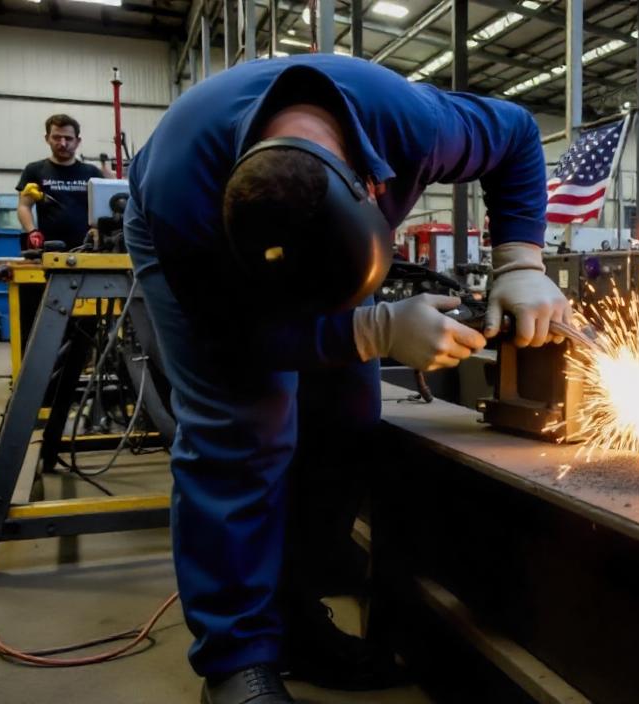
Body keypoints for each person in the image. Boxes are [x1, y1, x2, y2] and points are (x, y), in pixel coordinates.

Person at [124, 54, 571, 704]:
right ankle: (236, 660)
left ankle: (297, 618)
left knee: (348, 413)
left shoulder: (414, 124)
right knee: (242, 425)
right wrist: (373, 331)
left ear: (369, 186)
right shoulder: (183, 197)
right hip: (195, 242)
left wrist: (520, 260)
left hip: (323, 240)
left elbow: (517, 135)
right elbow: (236, 340)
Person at [16, 114, 109, 250]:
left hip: (87, 249)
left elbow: (104, 209)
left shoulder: (92, 173)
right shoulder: (34, 170)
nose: (63, 143)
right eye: (56, 138)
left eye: (68, 138)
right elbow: (24, 206)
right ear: (47, 138)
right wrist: (32, 232)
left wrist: (98, 229)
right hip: (48, 249)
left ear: (78, 141)